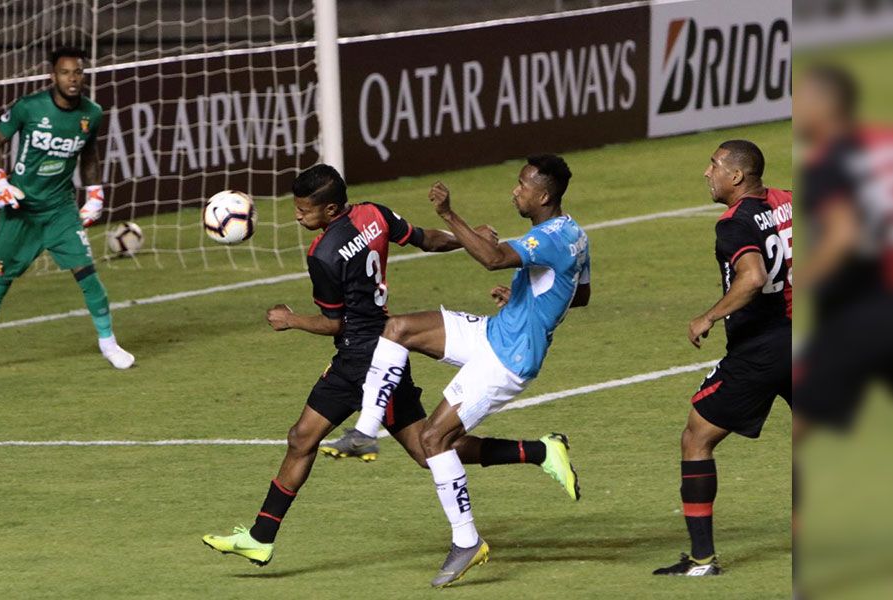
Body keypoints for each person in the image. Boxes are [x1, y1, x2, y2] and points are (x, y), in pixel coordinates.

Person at [201, 164, 575, 569]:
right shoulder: (373, 214)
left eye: (304, 209)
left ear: (329, 210)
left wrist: (291, 320)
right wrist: (462, 241)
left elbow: (335, 322)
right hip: (384, 347)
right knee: (404, 447)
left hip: (363, 357)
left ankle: (268, 530)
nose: (297, 215)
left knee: (372, 443)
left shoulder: (323, 255)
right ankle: (538, 451)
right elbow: (425, 240)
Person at [327, 154, 589, 587]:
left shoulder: (551, 239)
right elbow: (579, 295)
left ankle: (467, 541)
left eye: (522, 185)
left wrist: (448, 214)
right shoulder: (576, 233)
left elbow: (491, 257)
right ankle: (365, 432)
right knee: (398, 329)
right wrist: (527, 302)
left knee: (433, 439)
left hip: (509, 358)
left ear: (543, 195)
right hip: (496, 332)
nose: (515, 190)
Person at [653, 140, 792, 577]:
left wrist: (708, 316)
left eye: (713, 165)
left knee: (697, 437)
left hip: (762, 351)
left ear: (736, 176)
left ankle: (701, 559)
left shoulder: (733, 224)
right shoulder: (787, 201)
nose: (706, 172)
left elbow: (751, 278)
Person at [0, 46, 133, 373]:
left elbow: (88, 155)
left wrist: (95, 194)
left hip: (60, 210)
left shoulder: (92, 113)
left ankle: (109, 344)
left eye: (78, 72)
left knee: (87, 274)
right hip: (22, 210)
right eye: (65, 72)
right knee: (0, 281)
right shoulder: (29, 108)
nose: (73, 79)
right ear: (52, 76)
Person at [792, 64, 893, 439]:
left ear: (826, 104)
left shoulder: (829, 161)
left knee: (799, 420)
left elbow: (842, 236)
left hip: (866, 312)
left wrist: (802, 280)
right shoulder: (885, 139)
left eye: (800, 96)